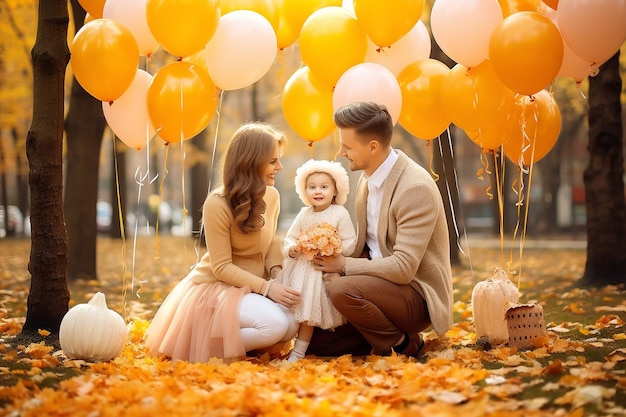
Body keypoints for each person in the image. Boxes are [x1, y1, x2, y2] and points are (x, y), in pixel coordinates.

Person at [307, 101, 454, 358]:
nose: (341, 152)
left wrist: (342, 266)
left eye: (348, 146)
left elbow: (403, 268)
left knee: (341, 290)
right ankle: (377, 336)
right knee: (319, 344)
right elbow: (368, 246)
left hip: (416, 294)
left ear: (372, 146)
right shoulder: (367, 181)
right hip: (378, 288)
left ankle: (403, 344)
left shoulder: (414, 188)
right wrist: (321, 250)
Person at [145, 122, 300, 362]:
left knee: (291, 325)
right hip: (219, 287)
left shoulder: (272, 195)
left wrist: (277, 273)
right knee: (276, 326)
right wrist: (268, 289)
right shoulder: (217, 204)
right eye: (272, 161)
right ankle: (206, 346)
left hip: (255, 285)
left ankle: (235, 344)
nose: (279, 167)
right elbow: (221, 267)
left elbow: (270, 243)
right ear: (251, 161)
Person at [278, 159, 357, 362]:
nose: (318, 191)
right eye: (312, 187)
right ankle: (281, 344)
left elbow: (350, 243)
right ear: (305, 191)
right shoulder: (305, 214)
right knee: (291, 306)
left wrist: (333, 247)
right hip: (301, 269)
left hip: (323, 271)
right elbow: (290, 237)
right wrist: (293, 249)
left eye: (324, 187)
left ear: (335, 190)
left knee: (308, 314)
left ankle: (298, 352)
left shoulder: (340, 213)